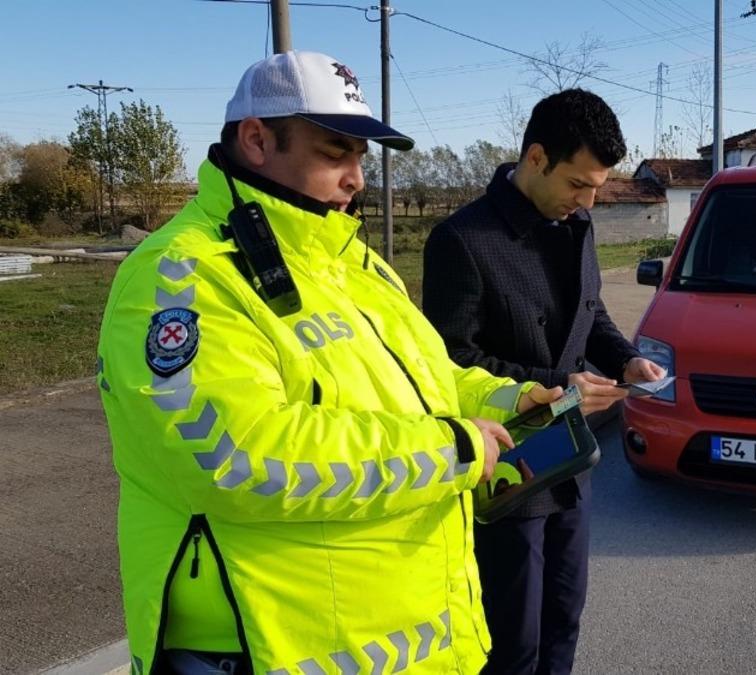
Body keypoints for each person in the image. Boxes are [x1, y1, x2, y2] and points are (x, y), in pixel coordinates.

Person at [96, 51, 564, 673]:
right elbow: (237, 456)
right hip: (278, 650)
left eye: (361, 157)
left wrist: (504, 399)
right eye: (335, 153)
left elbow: (422, 379)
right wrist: (452, 449)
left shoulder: (351, 261)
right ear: (257, 140)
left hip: (419, 644)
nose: (357, 179)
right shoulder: (180, 276)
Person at [422, 88, 665, 674]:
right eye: (578, 184)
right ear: (535, 158)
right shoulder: (462, 240)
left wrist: (625, 359)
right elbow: (450, 361)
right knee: (513, 639)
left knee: (564, 614)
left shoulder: (576, 224)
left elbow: (590, 312)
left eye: (596, 188)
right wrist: (561, 382)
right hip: (509, 464)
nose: (588, 200)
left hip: (571, 459)